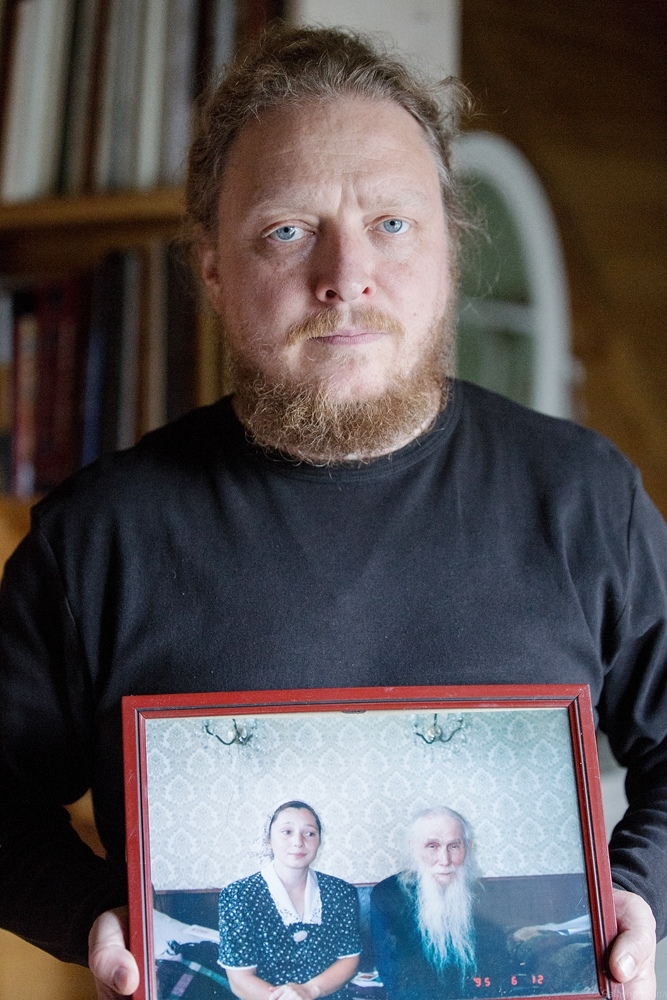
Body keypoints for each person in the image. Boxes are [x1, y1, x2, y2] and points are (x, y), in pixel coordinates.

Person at [0, 23, 663, 1000]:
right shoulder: (96, 541)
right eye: (286, 229)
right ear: (213, 268)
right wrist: (96, 915)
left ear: (449, 247)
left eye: (391, 223)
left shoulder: (583, 499)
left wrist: (637, 890)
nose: (345, 274)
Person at [217, 801, 360, 999]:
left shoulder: (341, 892)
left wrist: (310, 990)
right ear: (269, 839)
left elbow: (349, 959)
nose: (298, 841)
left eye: (310, 833)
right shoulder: (238, 896)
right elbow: (240, 980)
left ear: (319, 840)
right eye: (287, 832)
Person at [370, 808, 517, 999]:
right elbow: (396, 978)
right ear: (414, 848)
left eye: (454, 846)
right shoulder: (387, 894)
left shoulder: (485, 895)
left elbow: (498, 971)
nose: (445, 860)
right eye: (432, 846)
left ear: (468, 847)